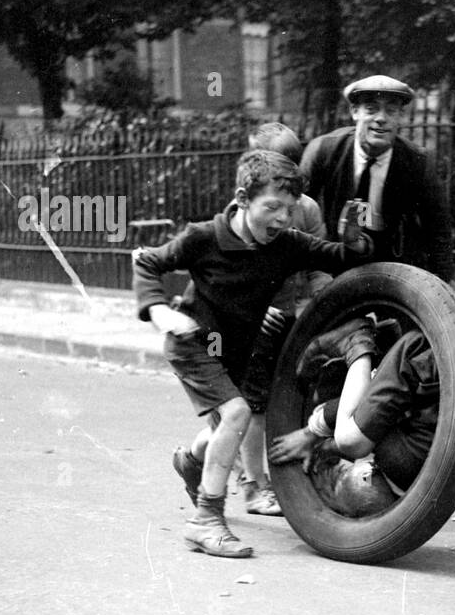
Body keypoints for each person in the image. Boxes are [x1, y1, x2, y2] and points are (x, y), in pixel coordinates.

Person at [134, 150, 372, 558]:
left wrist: (354, 238)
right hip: (192, 343)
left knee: (224, 427)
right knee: (237, 414)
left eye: (290, 209)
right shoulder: (203, 236)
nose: (282, 219)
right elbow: (148, 263)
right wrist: (159, 312)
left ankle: (192, 462)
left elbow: (342, 258)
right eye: (273, 207)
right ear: (243, 199)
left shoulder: (287, 244)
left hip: (236, 352)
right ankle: (206, 521)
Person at [231, 122, 327, 516]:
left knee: (293, 397)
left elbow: (320, 262)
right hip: (257, 322)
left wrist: (322, 299)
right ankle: (254, 486)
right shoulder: (247, 211)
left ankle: (203, 461)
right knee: (254, 405)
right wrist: (257, 307)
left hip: (295, 318)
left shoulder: (306, 209)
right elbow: (232, 272)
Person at [267, 317, 440, 517]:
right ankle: (362, 344)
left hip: (426, 385)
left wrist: (314, 432)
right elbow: (373, 405)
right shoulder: (401, 464)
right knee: (352, 440)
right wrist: (312, 432)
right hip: (428, 371)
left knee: (353, 448)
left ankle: (357, 342)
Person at [298, 75, 455, 285]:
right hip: (335, 260)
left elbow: (438, 228)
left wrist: (443, 283)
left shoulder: (418, 162)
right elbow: (297, 211)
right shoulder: (323, 151)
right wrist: (311, 275)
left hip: (394, 266)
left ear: (400, 116)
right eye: (371, 109)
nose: (381, 118)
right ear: (354, 112)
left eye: (390, 111)